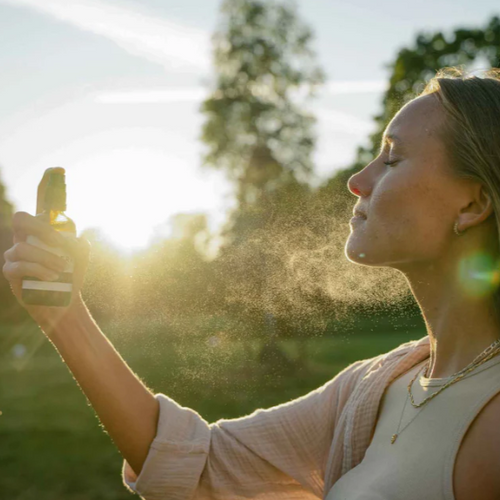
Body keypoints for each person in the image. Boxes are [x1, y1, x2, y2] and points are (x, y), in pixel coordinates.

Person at [4, 65, 500, 500]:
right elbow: (200, 465)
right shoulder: (374, 388)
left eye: (391, 159)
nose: (357, 180)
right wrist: (65, 314)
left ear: (473, 204)